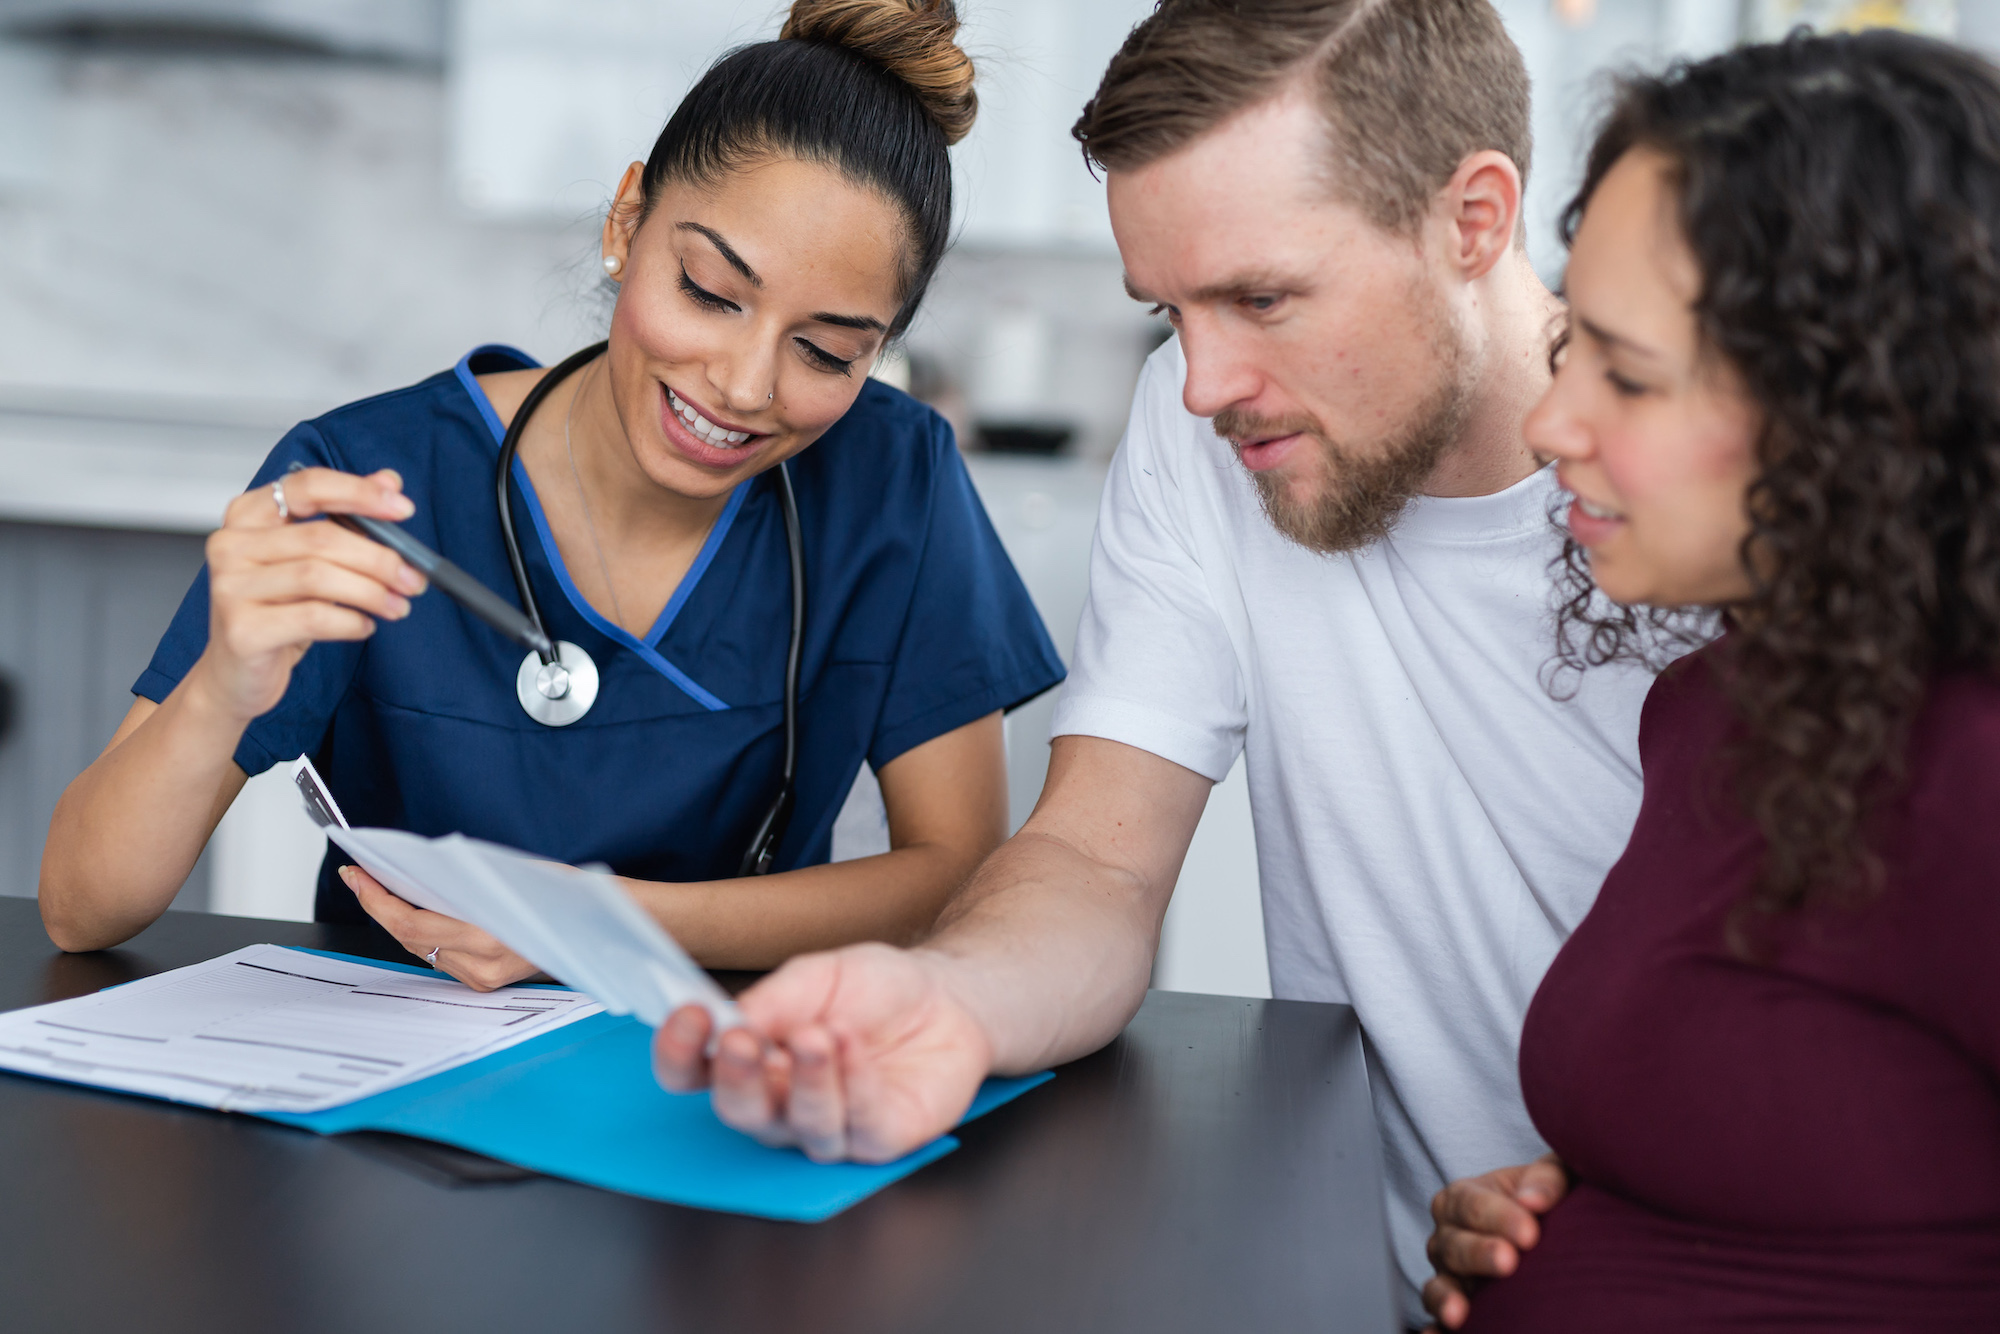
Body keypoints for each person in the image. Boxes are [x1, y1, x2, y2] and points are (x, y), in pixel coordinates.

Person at [654, 1, 1665, 1320]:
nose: (1201, 382)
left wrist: (1673, 1206)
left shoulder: (1700, 485)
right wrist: (949, 998)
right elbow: (1095, 857)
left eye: (1261, 297)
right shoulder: (1202, 442)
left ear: (1473, 220)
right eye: (1169, 312)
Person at [39, 0, 1064, 984]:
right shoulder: (372, 477)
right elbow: (83, 909)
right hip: (387, 1086)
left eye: (827, 351)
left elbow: (956, 877)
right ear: (628, 220)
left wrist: (597, 921)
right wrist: (221, 686)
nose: (746, 387)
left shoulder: (894, 476)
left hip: (718, 1084)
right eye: (709, 292)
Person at [1423, 31, 2000, 1330]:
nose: (1550, 421)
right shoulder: (1725, 703)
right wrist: (1602, 1211)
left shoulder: (1973, 768)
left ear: (1860, 409)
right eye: (1570, 344)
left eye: (1626, 373)